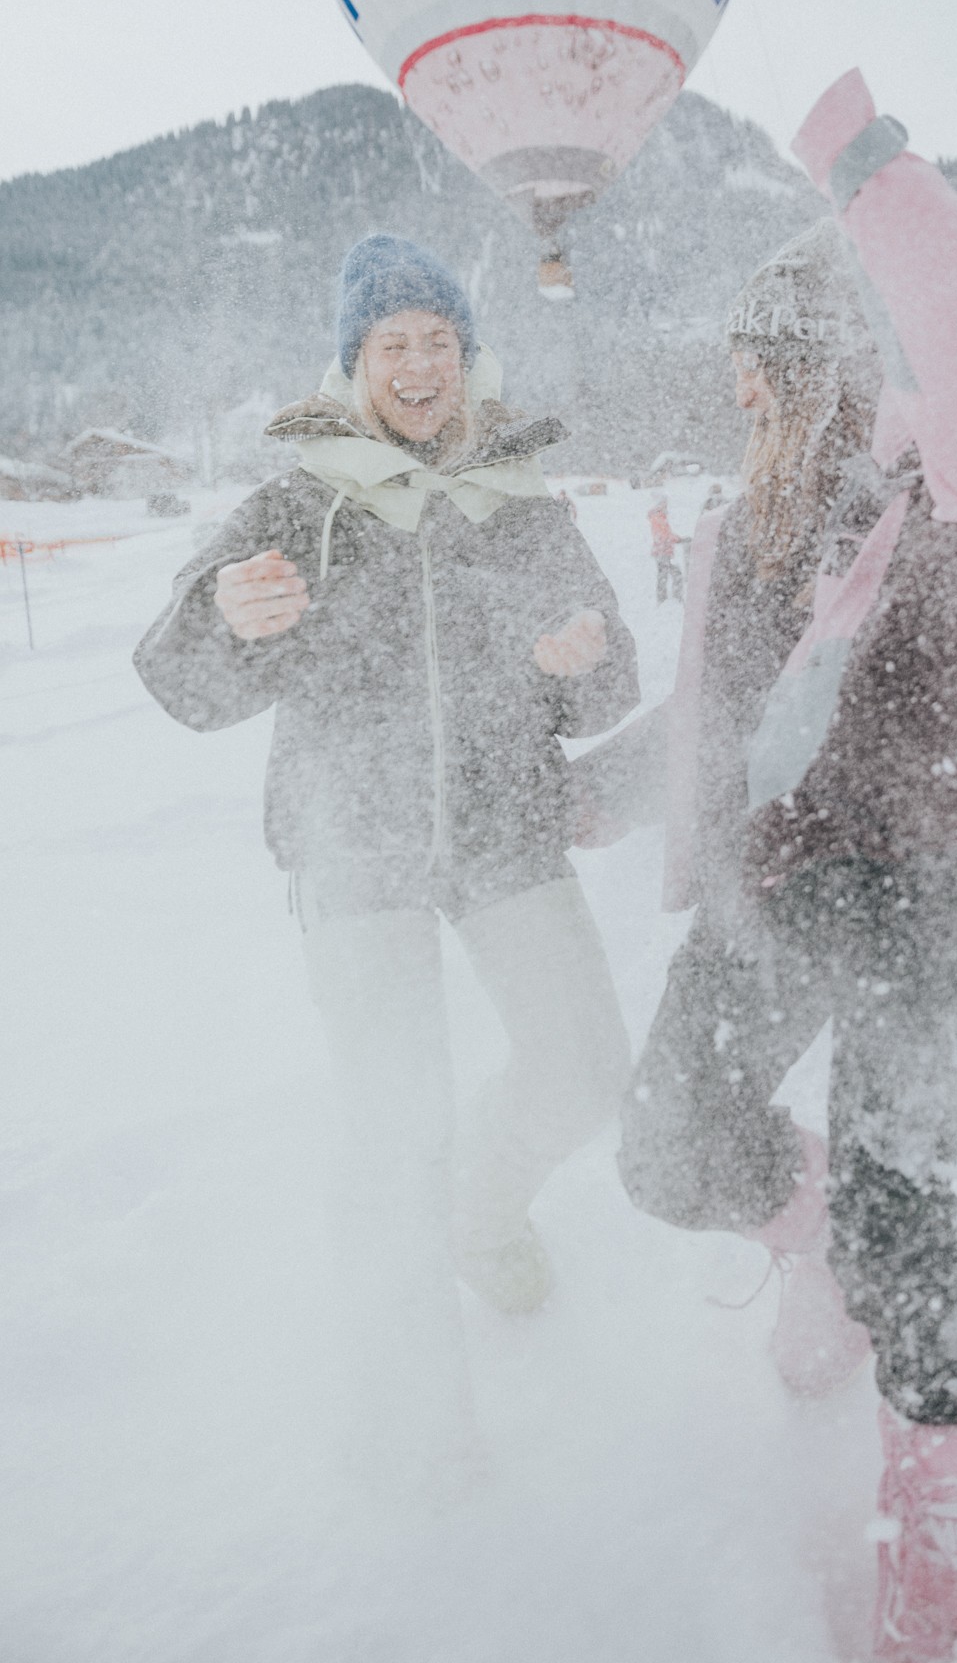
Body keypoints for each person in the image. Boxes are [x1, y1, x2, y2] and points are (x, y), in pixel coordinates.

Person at [618, 79, 957, 1660]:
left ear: (842, 361)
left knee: (907, 1230)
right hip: (770, 898)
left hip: (912, 886)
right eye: (748, 370)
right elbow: (710, 730)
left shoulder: (942, 481)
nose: (759, 393)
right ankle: (816, 1253)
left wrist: (861, 168)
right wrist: (568, 799)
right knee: (669, 1146)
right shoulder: (736, 531)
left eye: (785, 361)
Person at [135, 234, 640, 1479]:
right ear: (352, 364)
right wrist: (225, 616)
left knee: (582, 1066)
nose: (419, 365)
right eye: (392, 344)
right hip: (353, 847)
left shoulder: (517, 499)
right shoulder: (298, 503)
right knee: (392, 1127)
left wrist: (583, 660)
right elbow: (177, 674)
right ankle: (418, 1435)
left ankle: (482, 1214)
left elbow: (610, 667)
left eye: (439, 342)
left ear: (471, 358)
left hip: (506, 828)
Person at [647, 494, 684, 604]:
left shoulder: (660, 517)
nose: (666, 506)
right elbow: (662, 536)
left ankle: (664, 598)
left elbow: (666, 534)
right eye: (664, 504)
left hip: (663, 551)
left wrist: (677, 538)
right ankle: (672, 598)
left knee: (664, 575)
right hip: (662, 551)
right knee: (673, 574)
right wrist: (676, 539)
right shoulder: (658, 518)